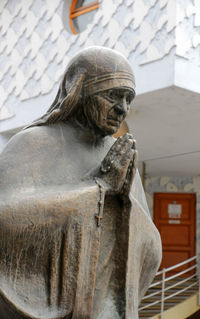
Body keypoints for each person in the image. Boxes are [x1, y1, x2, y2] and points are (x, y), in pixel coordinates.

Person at [0, 46, 161, 319]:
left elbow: (151, 249)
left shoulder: (118, 156)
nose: (123, 108)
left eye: (128, 98)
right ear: (80, 90)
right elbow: (5, 218)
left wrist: (123, 203)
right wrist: (97, 190)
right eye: (113, 96)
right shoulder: (34, 143)